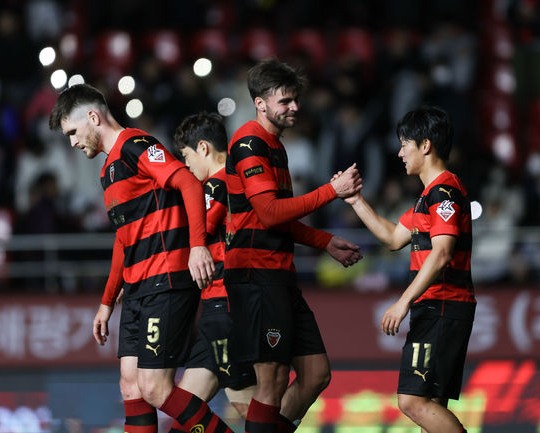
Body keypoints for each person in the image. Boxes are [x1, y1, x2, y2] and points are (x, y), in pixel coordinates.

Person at [48, 83, 233, 433]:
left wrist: (196, 246)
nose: (71, 142)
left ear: (93, 117)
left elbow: (188, 184)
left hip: (165, 280)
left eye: (73, 132)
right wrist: (106, 302)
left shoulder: (136, 145)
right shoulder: (108, 171)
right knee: (130, 386)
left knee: (154, 387)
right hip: (136, 288)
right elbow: (124, 239)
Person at [224, 58, 363, 433]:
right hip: (255, 275)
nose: (294, 107)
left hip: (277, 272)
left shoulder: (275, 147)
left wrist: (326, 241)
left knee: (316, 373)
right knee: (270, 383)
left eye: (295, 99)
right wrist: (332, 191)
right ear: (260, 102)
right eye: (284, 100)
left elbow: (277, 217)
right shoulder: (249, 142)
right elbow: (269, 213)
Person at [337, 107, 474, 433]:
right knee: (431, 410)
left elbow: (441, 254)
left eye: (404, 144)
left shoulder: (444, 192)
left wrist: (403, 302)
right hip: (439, 306)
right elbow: (392, 237)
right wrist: (356, 201)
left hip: (442, 305)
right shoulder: (429, 195)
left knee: (411, 401)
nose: (399, 153)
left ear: (425, 145)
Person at [169, 111, 257, 432]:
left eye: (186, 156)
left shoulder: (218, 185)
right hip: (214, 308)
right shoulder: (233, 183)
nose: (186, 165)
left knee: (248, 407)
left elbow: (197, 232)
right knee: (185, 410)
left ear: (203, 148)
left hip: (226, 306)